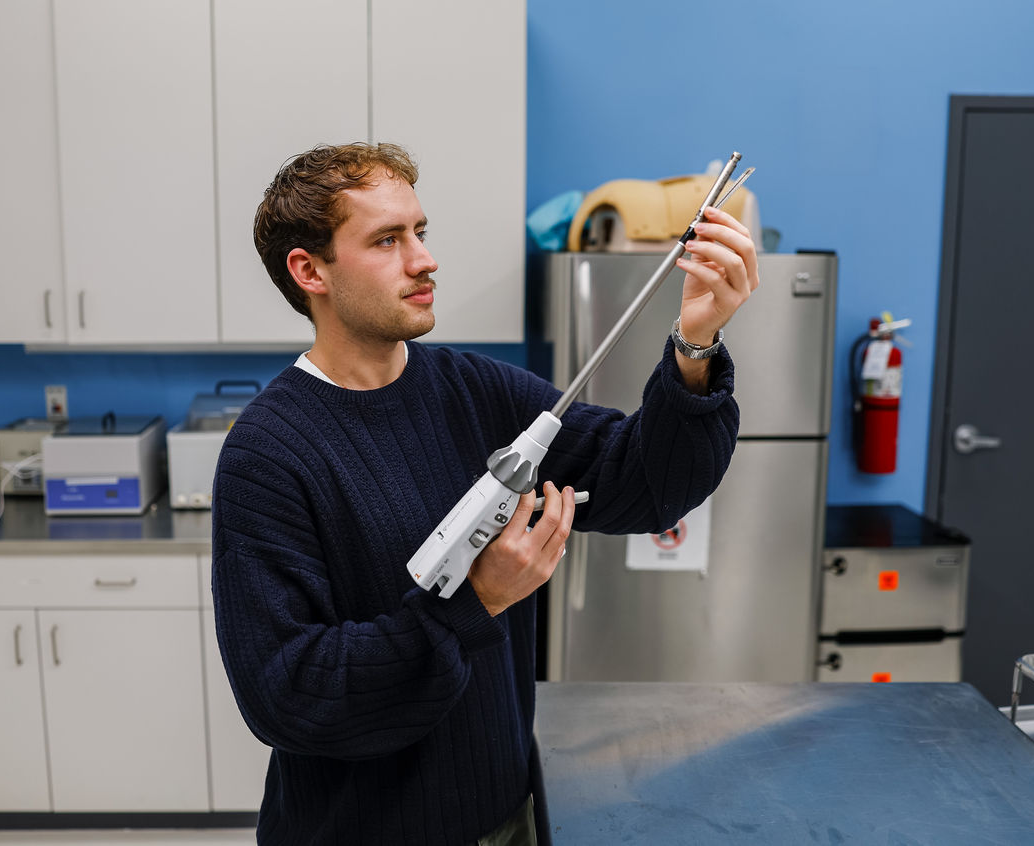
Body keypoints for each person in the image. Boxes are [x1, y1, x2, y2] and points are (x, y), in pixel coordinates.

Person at [211, 142, 757, 845]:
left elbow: (646, 485)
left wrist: (695, 345)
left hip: (505, 820)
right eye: (387, 240)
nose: (424, 260)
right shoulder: (267, 454)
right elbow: (289, 694)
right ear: (309, 270)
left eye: (420, 231)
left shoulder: (477, 392)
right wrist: (475, 603)